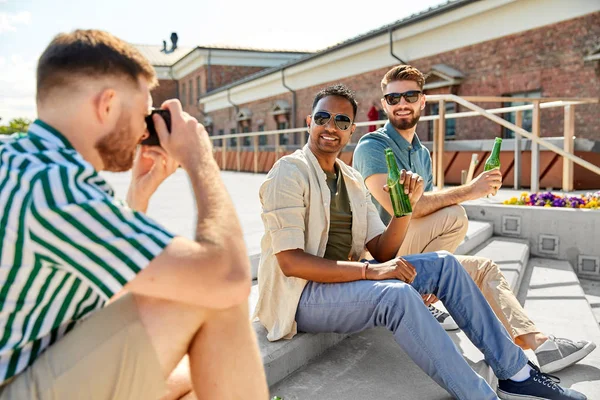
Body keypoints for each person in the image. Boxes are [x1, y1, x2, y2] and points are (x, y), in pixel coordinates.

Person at [254, 83, 586, 400]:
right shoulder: (290, 172)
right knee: (395, 295)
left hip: (342, 284)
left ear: (351, 130)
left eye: (341, 120)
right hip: (301, 294)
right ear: (309, 122)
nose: (331, 126)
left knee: (445, 264)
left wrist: (404, 210)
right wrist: (373, 273)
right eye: (323, 118)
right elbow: (291, 262)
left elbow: (382, 250)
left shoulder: (351, 179)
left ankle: (517, 375)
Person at [0, 30, 268, 400]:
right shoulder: (58, 188)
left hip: (26, 367)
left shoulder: (22, 162)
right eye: (144, 114)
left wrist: (137, 197)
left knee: (197, 370)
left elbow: (98, 285)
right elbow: (229, 276)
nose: (145, 131)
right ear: (107, 105)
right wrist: (200, 159)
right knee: (209, 295)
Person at [353, 64, 596, 374]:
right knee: (456, 217)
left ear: (423, 100)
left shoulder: (422, 154)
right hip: (380, 253)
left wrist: (470, 192)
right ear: (385, 103)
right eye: (393, 97)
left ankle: (540, 343)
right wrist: (471, 190)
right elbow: (399, 207)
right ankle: (428, 290)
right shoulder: (372, 146)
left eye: (410, 95)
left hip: (407, 249)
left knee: (478, 257)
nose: (402, 103)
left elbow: (427, 208)